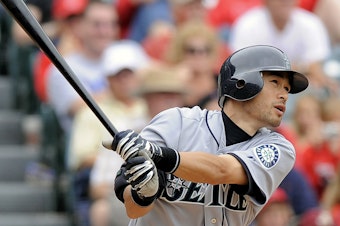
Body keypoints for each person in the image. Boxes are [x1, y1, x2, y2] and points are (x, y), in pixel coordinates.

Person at [103, 45, 309, 226]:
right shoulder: (177, 123)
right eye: (275, 82)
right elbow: (133, 209)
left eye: (287, 88)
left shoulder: (278, 148)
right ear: (242, 82)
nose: (284, 95)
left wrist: (157, 154)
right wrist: (143, 195)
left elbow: (222, 170)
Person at [89, 63, 187, 226]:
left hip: (182, 205)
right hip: (133, 202)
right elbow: (98, 187)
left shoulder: (195, 133)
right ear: (147, 98)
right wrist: (138, 191)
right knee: (101, 209)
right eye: (163, 94)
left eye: (175, 94)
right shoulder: (125, 132)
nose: (170, 100)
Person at [69, 39, 150, 226]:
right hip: (109, 181)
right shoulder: (91, 111)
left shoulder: (151, 106)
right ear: (107, 78)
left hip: (149, 178)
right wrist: (123, 160)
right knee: (102, 210)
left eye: (128, 74)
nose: (124, 80)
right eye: (117, 75)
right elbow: (81, 158)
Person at [229, 0, 335, 94]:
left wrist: (273, 69)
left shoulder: (311, 23)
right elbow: (243, 68)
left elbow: (316, 70)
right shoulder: (248, 24)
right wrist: (300, 68)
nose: (285, 1)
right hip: (259, 87)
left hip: (300, 87)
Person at [47, 0, 119, 135]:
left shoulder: (129, 52)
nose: (104, 31)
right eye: (96, 25)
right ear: (79, 26)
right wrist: (124, 90)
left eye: (111, 24)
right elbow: (78, 109)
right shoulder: (63, 69)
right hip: (92, 143)